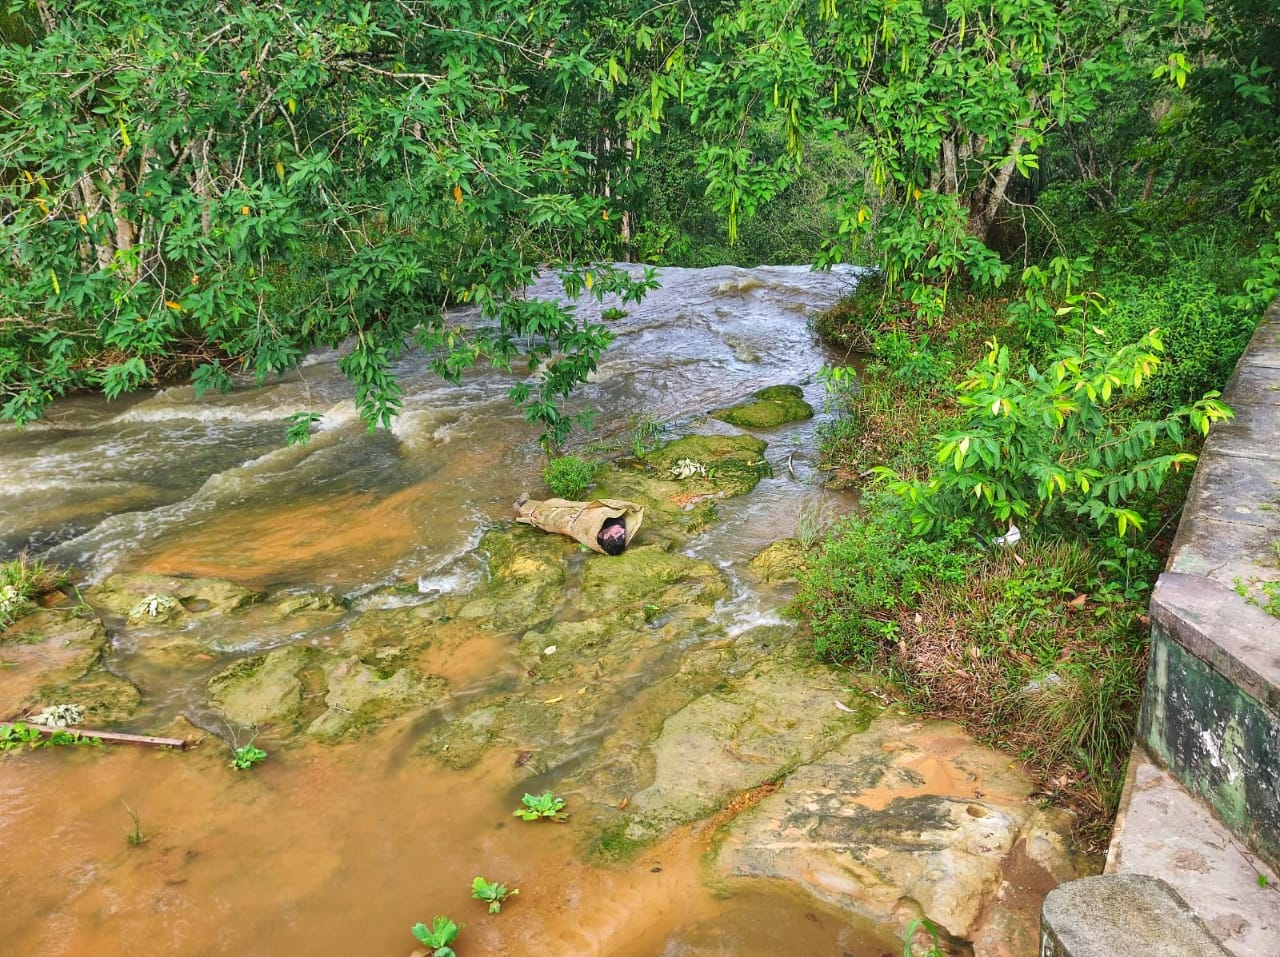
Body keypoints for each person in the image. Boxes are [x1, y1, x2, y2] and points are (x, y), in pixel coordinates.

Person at [513, 495, 644, 555]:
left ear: (605, 536)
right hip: (571, 510)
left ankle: (524, 510)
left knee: (547, 516)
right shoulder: (614, 522)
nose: (622, 530)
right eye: (622, 532)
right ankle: (527, 505)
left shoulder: (596, 534)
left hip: (561, 520)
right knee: (559, 505)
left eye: (617, 533)